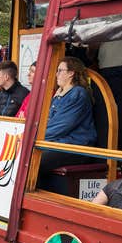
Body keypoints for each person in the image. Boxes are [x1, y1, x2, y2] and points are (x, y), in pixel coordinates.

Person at [37, 57, 97, 192]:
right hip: (59, 142)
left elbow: (60, 126)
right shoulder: (61, 94)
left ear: (71, 73)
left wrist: (34, 137)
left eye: (60, 70)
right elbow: (47, 121)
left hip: (76, 146)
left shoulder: (77, 94)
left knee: (34, 159)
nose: (57, 74)